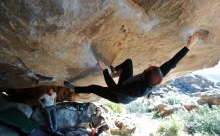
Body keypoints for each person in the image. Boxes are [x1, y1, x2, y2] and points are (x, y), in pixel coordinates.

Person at [64, 30, 209, 104]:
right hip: (126, 85)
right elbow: (173, 62)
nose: (150, 66)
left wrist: (105, 70)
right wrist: (190, 44)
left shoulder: (136, 89)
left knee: (94, 88)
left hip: (119, 97)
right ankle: (116, 70)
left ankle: (73, 88)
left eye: (149, 68)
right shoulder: (156, 76)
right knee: (128, 62)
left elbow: (112, 88)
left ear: (145, 76)